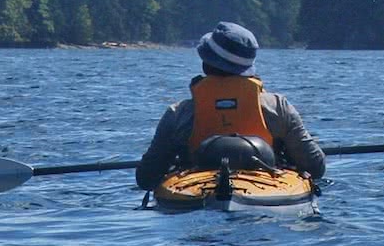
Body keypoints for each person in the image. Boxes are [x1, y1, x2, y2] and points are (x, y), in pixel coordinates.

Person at [136, 22, 326, 190]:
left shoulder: (178, 114)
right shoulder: (278, 107)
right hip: (265, 195)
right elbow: (315, 166)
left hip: (197, 191)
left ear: (206, 63)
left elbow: (146, 177)